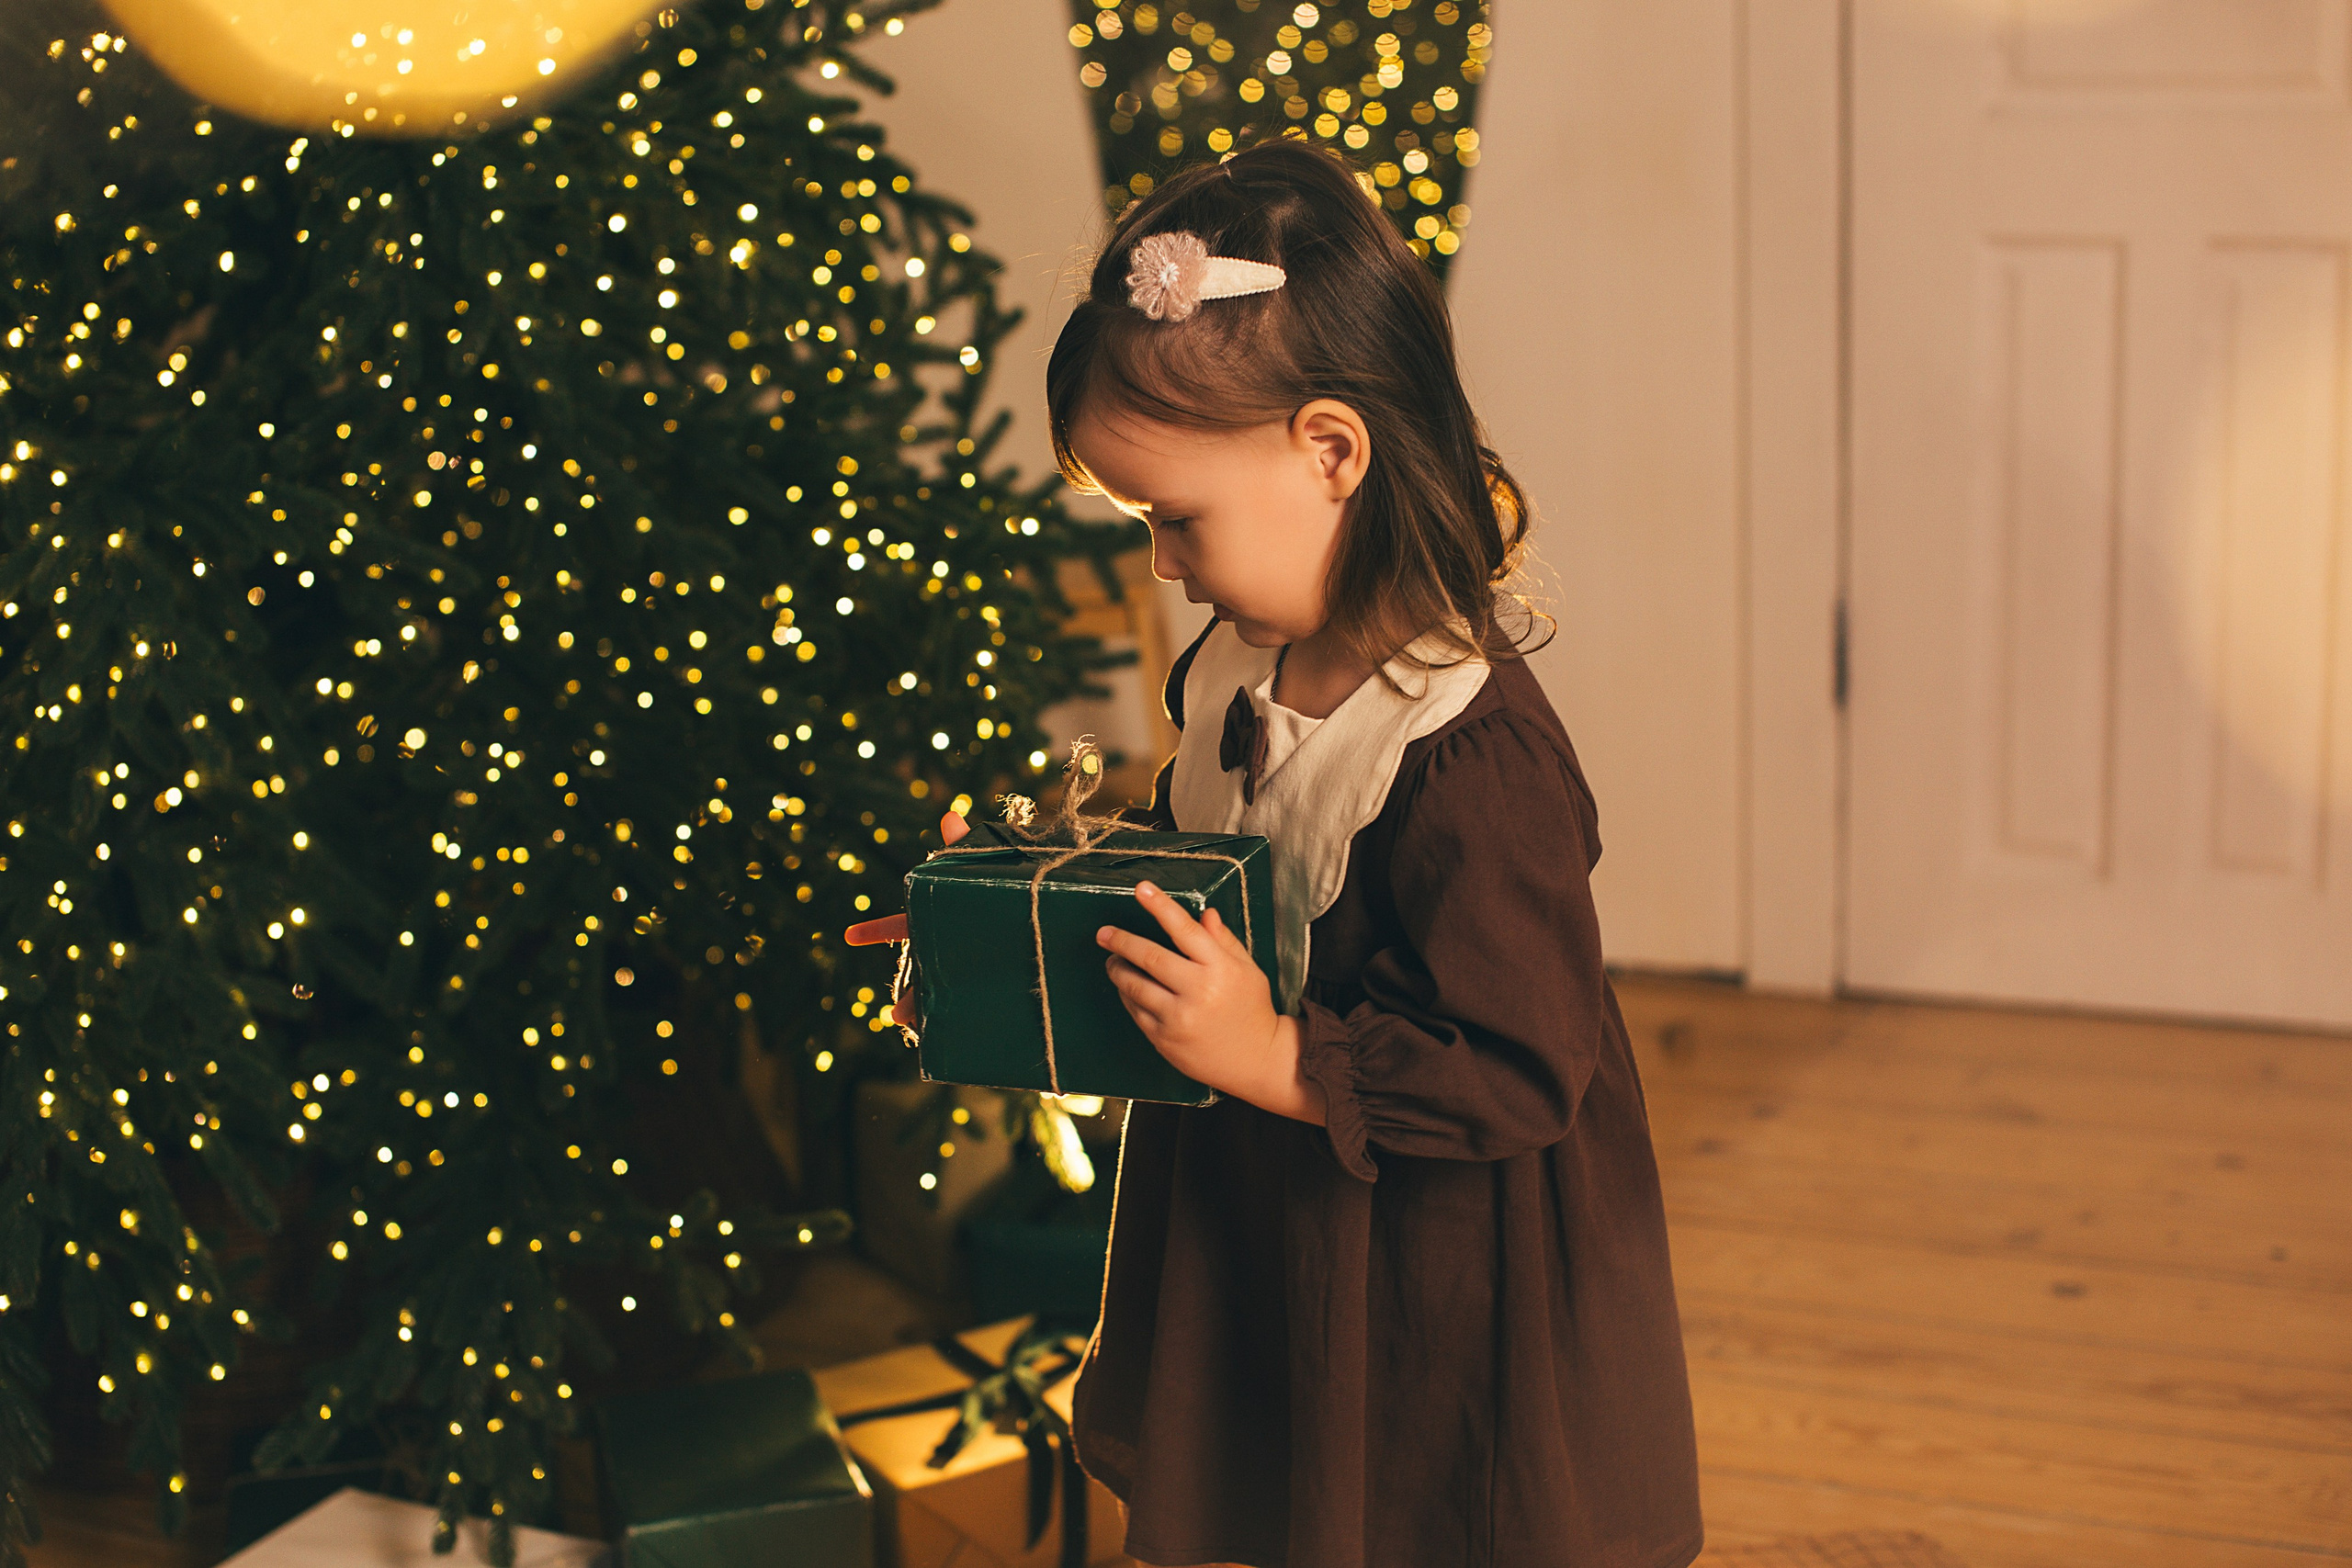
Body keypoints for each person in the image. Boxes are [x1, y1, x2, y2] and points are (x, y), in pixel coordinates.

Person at [848, 137, 1702, 1568]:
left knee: (1411, 1505)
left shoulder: (1469, 750)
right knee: (1283, 1483)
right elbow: (1202, 879)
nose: (1164, 566)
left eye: (1176, 521)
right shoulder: (1232, 671)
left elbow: (1523, 1063)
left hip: (1433, 1254)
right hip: (1260, 1209)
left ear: (1331, 452)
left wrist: (1276, 1056)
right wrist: (1008, 926)